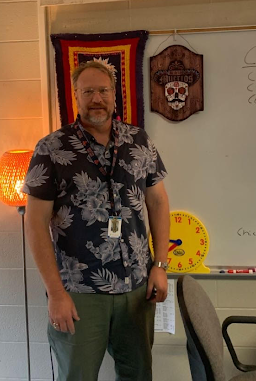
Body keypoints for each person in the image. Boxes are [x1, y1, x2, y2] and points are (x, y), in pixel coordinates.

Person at [22, 60, 170, 381]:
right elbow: (34, 225)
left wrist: (160, 265)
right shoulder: (51, 148)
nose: (96, 98)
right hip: (78, 292)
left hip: (137, 288)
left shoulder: (138, 141)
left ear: (114, 94)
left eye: (103, 90)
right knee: (77, 376)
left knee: (138, 374)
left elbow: (157, 201)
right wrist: (56, 293)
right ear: (75, 96)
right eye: (87, 91)